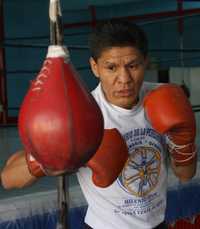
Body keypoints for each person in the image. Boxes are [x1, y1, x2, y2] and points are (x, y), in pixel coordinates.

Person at [1, 20, 197, 229]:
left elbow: (186, 174)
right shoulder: (83, 113)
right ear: (95, 67)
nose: (124, 79)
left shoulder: (164, 99)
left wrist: (183, 142)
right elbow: (8, 179)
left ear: (145, 62)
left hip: (158, 224)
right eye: (111, 67)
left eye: (133, 66)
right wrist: (59, 153)